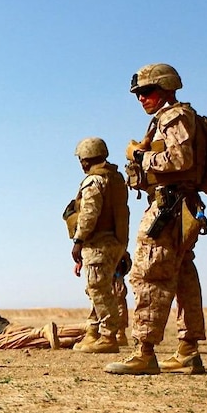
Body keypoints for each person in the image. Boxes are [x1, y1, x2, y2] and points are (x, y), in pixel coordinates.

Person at [106, 64, 207, 375]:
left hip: (168, 208)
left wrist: (141, 157)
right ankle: (188, 350)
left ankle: (144, 352)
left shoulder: (173, 117)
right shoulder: (179, 117)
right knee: (182, 277)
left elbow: (180, 159)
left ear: (166, 88)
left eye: (147, 91)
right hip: (182, 207)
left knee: (149, 274)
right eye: (138, 94)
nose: (141, 98)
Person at [64, 138, 130, 354]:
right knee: (98, 288)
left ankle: (109, 336)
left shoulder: (94, 181)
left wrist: (78, 240)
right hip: (116, 241)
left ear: (85, 160)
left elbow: (89, 214)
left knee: (98, 289)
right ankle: (94, 332)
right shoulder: (116, 179)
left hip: (99, 242)